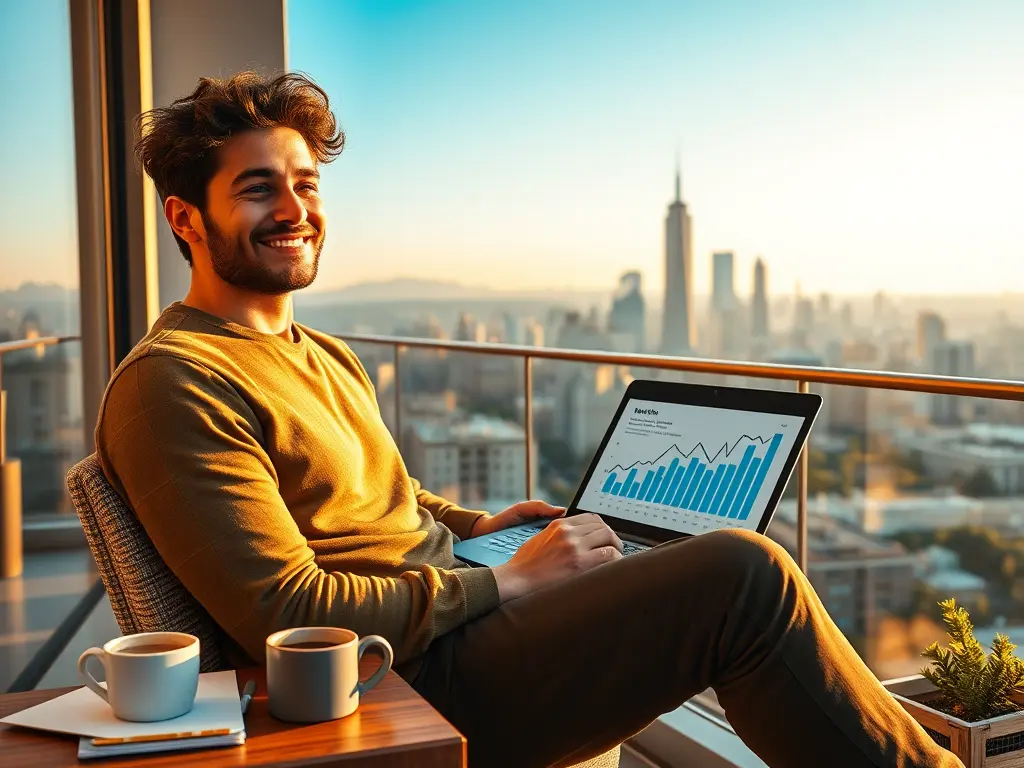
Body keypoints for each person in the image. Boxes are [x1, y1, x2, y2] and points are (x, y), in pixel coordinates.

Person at [95, 71, 963, 768]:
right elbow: (287, 612)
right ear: (185, 217)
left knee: (657, 554)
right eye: (258, 190)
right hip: (404, 678)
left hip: (455, 623)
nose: (294, 210)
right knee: (744, 574)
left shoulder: (318, 352)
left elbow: (388, 499)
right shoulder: (176, 382)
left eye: (306, 184)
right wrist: (508, 581)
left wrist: (482, 528)